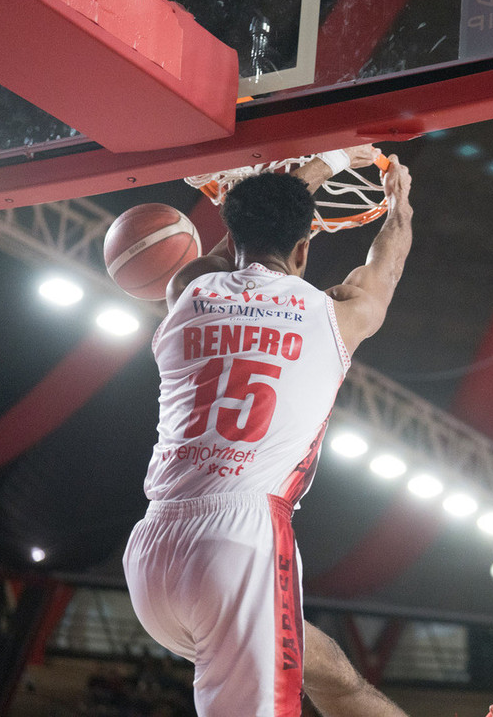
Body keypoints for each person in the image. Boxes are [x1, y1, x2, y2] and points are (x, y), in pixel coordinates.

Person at [123, 145, 414, 717]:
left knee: (330, 672)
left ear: (231, 238)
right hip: (239, 540)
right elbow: (388, 262)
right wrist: (398, 208)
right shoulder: (335, 313)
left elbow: (240, 240)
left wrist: (323, 164)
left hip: (154, 549)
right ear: (304, 248)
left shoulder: (187, 293)